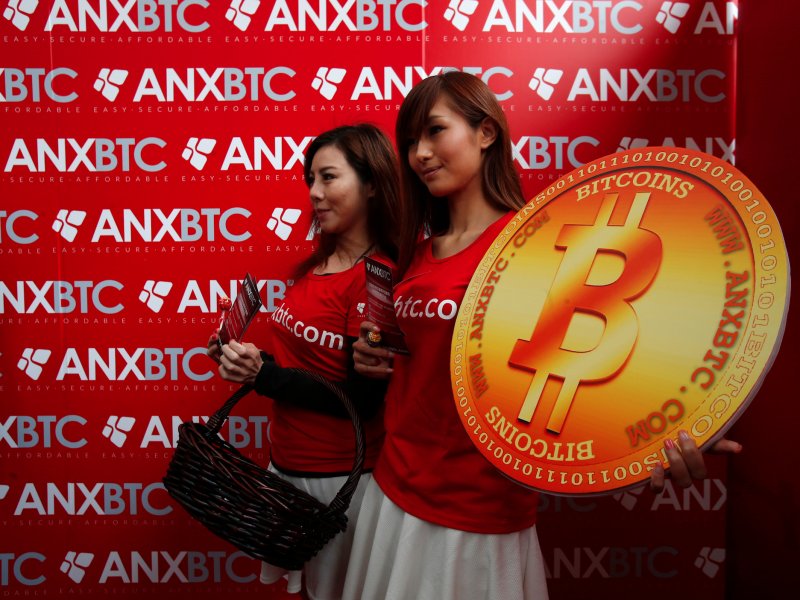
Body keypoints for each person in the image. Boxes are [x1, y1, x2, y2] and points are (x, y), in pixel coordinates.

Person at [343, 72, 743, 600]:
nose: (420, 153)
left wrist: (670, 428)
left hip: (476, 510)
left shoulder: (539, 245)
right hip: (393, 490)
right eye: (411, 141)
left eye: (435, 131)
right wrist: (374, 357)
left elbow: (604, 348)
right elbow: (422, 365)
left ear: (486, 133)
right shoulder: (416, 254)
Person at [207, 123, 401, 600]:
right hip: (290, 473)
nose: (314, 192)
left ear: (372, 183)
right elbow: (310, 365)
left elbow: (362, 399)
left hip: (342, 486)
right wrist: (250, 359)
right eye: (310, 178)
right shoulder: (319, 263)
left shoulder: (377, 284)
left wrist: (265, 376)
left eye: (329, 177)